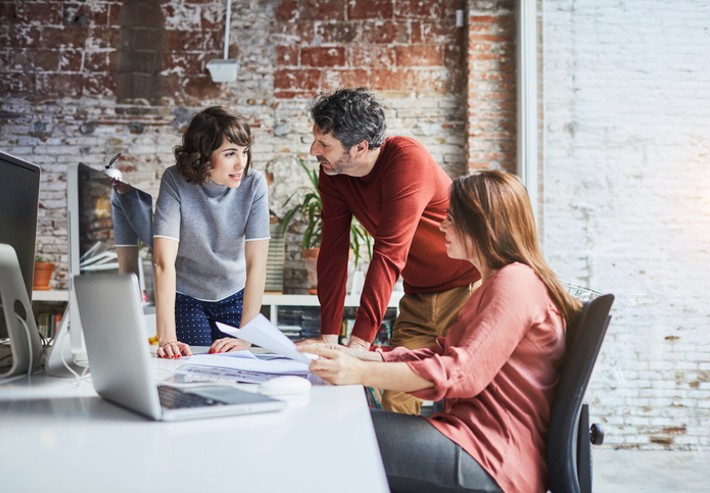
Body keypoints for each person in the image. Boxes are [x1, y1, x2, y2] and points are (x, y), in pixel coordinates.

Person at [300, 170, 583, 493]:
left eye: (452, 217)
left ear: (482, 224)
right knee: (340, 429)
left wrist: (358, 372)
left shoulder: (515, 283)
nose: (442, 226)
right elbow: (440, 354)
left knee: (334, 431)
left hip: (490, 457)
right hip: (471, 441)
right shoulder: (497, 283)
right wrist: (364, 356)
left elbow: (459, 373)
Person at [307, 87, 481, 415]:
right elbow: (333, 250)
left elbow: (389, 252)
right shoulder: (333, 173)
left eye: (324, 144)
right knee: (396, 399)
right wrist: (329, 338)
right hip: (418, 298)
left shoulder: (405, 158)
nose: (314, 149)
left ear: (359, 147)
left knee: (468, 395)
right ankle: (396, 468)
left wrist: (358, 345)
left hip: (467, 292)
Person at [153, 106, 270, 359]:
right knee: (191, 366)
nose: (241, 163)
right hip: (188, 298)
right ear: (204, 155)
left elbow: (257, 264)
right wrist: (167, 339)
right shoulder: (175, 180)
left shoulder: (255, 184)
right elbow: (163, 262)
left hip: (235, 295)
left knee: (237, 366)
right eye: (230, 153)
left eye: (244, 152)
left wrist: (246, 336)